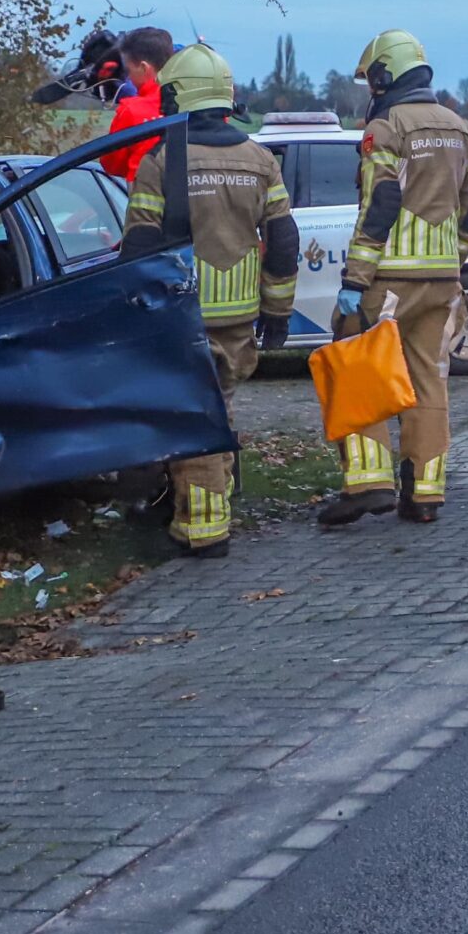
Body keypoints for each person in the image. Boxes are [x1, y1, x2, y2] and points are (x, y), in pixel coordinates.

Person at [120, 43, 298, 556]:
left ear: (178, 97)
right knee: (220, 406)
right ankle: (215, 502)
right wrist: (278, 311)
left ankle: (203, 531)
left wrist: (139, 311)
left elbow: (140, 245)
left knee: (194, 415)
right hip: (239, 315)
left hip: (182, 314)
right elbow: (283, 240)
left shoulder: (160, 160)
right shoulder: (259, 158)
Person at [319, 30, 468, 528]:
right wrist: (453, 256)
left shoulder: (387, 126)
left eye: (372, 80)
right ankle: (425, 495)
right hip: (442, 284)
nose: (370, 89)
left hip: (389, 280)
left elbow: (382, 202)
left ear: (383, 76)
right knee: (429, 381)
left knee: (356, 369)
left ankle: (368, 485)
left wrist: (357, 278)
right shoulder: (461, 128)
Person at [100, 27, 176, 183]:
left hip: (144, 202)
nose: (128, 77)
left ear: (144, 68)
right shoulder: (197, 105)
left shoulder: (132, 111)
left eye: (129, 70)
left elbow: (112, 165)